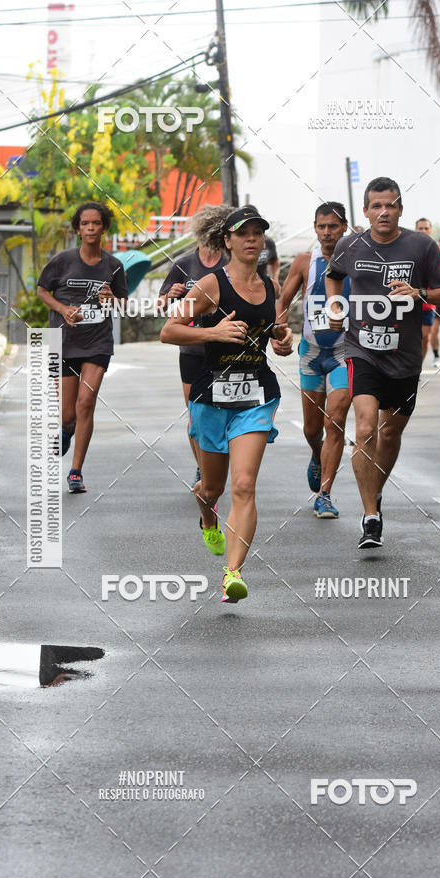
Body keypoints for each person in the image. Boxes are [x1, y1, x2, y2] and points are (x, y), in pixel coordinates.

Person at [160, 206, 293, 602]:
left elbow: (273, 331)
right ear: (228, 241)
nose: (252, 239)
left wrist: (282, 340)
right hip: (212, 396)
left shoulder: (270, 286)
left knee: (244, 484)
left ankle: (232, 573)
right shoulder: (210, 285)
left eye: (257, 232)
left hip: (256, 395)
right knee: (212, 488)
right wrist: (213, 333)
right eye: (243, 233)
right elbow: (169, 331)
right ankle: (207, 516)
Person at [325, 177, 440, 549]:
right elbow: (333, 276)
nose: (384, 212)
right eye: (377, 206)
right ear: (366, 211)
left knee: (390, 433)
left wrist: (420, 293)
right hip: (361, 350)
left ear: (400, 209)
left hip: (405, 357)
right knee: (366, 427)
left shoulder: (422, 246)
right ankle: (371, 517)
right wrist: (335, 306)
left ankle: (375, 492)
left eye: (391, 205)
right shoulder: (351, 244)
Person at [37, 201, 127, 494]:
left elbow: (123, 304)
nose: (90, 228)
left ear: (104, 228)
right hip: (63, 343)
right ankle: (66, 430)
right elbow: (42, 290)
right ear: (78, 229)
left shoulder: (113, 266)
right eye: (85, 224)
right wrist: (63, 309)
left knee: (86, 403)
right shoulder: (62, 260)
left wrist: (112, 299)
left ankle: (75, 471)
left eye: (96, 223)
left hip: (97, 342)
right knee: (68, 415)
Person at [275, 202, 351, 518]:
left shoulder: (358, 261)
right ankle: (317, 456)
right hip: (311, 353)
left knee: (335, 419)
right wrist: (279, 330)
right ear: (315, 228)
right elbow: (283, 300)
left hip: (344, 353)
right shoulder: (305, 261)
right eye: (321, 226)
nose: (327, 232)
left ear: (344, 227)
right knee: (311, 429)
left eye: (333, 226)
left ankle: (325, 495)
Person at [159, 204, 234, 488]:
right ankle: (203, 470)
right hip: (191, 350)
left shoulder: (230, 262)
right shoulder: (184, 264)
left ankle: (215, 467)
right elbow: (160, 305)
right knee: (196, 417)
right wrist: (171, 294)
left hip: (225, 351)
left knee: (222, 415)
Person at [415, 218, 440, 367]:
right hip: (408, 304)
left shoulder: (436, 250)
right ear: (416, 230)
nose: (423, 231)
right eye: (420, 228)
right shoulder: (408, 248)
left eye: (426, 228)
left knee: (425, 338)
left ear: (430, 231)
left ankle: (418, 368)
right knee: (409, 339)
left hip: (428, 302)